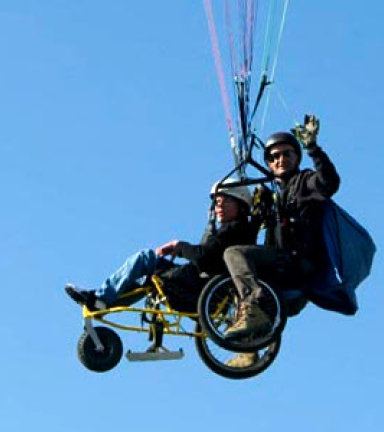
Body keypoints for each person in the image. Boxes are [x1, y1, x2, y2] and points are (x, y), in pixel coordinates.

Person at [224, 114, 341, 367]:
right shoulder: (270, 194)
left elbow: (329, 183)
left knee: (234, 254)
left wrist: (313, 147)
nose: (281, 160)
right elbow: (251, 236)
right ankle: (249, 349)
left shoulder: (305, 182)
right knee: (235, 271)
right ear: (268, 163)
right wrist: (254, 211)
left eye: (287, 154)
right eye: (274, 157)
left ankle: (253, 304)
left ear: (297, 158)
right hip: (279, 273)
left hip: (297, 264)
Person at [65, 178, 255, 312]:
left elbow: (203, 256)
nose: (218, 207)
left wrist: (179, 246)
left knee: (145, 258)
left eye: (224, 201)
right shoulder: (229, 231)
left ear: (241, 205)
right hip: (197, 282)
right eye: (216, 203)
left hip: (200, 285)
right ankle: (103, 301)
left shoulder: (234, 230)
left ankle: (102, 298)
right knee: (146, 277)